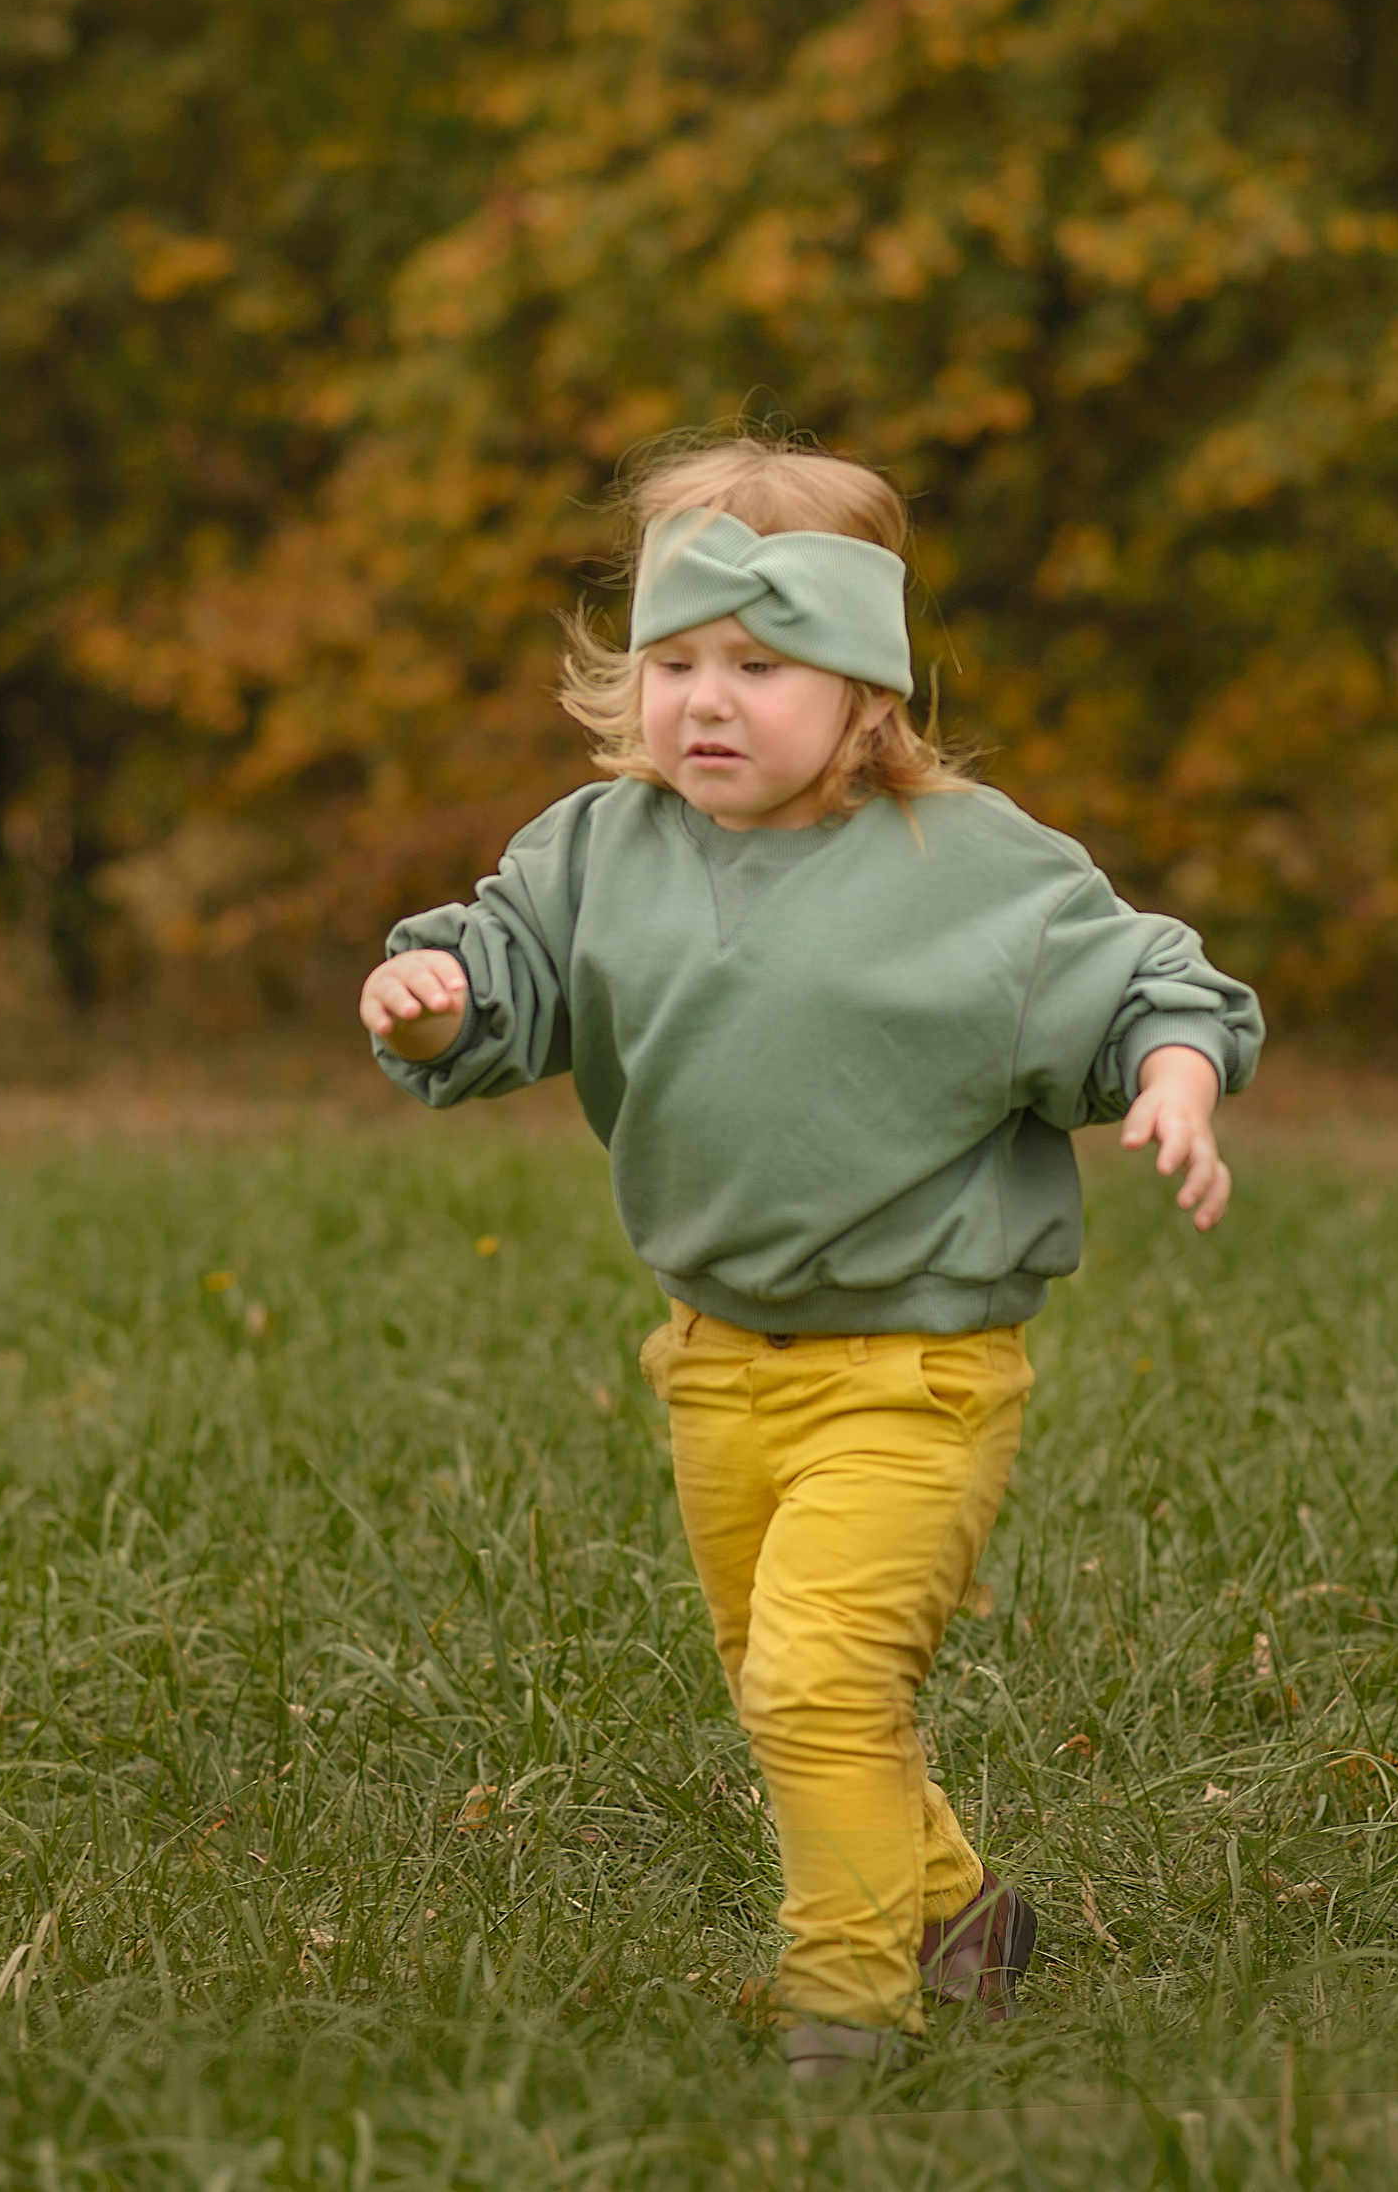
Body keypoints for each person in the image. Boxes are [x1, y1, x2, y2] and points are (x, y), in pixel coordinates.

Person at [357, 434, 1261, 2083]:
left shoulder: (971, 867)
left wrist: (1179, 1081)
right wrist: (444, 997)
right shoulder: (598, 851)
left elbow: (1147, 986)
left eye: (761, 665)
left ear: (866, 693)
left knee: (819, 1682)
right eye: (675, 661)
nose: (706, 700)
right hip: (713, 1364)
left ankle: (847, 2018)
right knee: (787, 1694)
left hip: (915, 1374)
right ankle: (965, 1915)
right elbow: (506, 968)